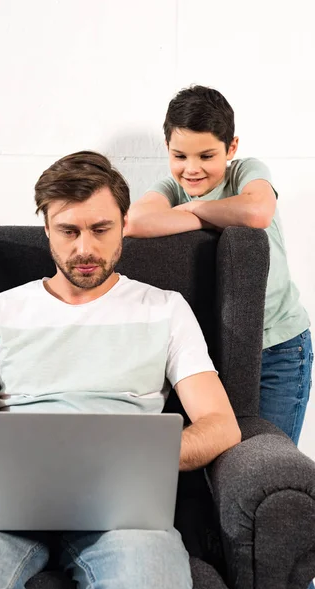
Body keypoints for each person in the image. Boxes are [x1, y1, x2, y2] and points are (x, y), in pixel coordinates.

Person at [0, 151, 241, 589]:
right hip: (7, 499)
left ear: (124, 223)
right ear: (46, 229)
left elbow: (221, 425)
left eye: (100, 229)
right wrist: (31, 469)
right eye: (68, 231)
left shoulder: (166, 309)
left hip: (125, 504)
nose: (84, 248)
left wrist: (134, 461)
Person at [126, 85, 312, 448]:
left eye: (207, 155)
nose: (191, 169)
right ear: (167, 150)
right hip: (216, 350)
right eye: (180, 155)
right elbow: (135, 221)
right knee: (222, 454)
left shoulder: (246, 172)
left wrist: (193, 211)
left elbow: (256, 212)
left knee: (269, 456)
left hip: (280, 348)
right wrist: (210, 216)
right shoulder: (171, 187)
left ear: (231, 148)